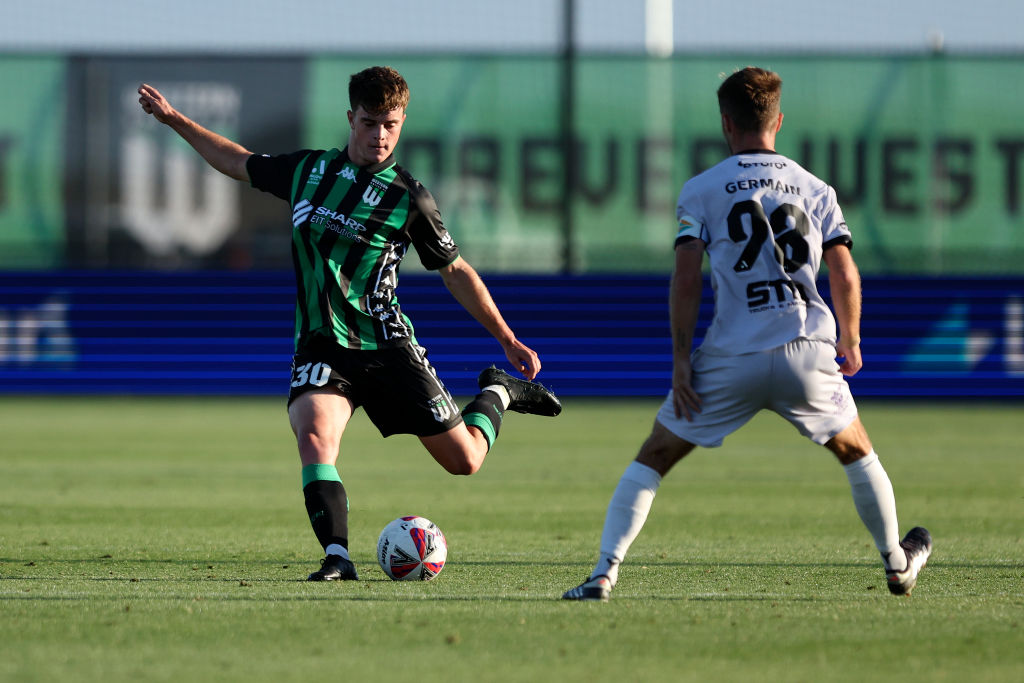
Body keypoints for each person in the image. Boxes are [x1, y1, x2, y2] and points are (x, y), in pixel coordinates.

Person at [139, 66, 561, 582]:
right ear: (350, 118)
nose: (380, 135)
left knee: (465, 460)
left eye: (391, 124)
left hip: (386, 345)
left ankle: (498, 391)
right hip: (321, 345)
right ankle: (337, 557)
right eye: (369, 123)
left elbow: (455, 271)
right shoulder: (308, 172)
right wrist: (175, 119)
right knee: (315, 438)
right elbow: (236, 160)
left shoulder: (410, 198)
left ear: (401, 124)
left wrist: (506, 337)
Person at [562, 67, 930, 602]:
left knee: (654, 456)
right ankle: (896, 563)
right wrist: (850, 340)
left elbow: (686, 276)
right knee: (857, 451)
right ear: (778, 121)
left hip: (732, 354)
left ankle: (603, 574)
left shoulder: (701, 189)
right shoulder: (816, 188)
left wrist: (681, 361)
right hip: (807, 350)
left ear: (726, 124)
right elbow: (845, 274)